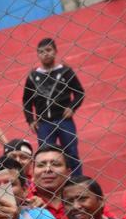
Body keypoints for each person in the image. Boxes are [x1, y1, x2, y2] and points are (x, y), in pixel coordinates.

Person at [22, 38, 86, 175]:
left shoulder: (66, 72)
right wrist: (30, 120)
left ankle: (76, 181)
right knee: (46, 155)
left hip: (64, 120)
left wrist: (72, 107)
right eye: (41, 52)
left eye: (48, 50)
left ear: (55, 52)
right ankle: (51, 183)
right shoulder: (33, 76)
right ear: (37, 55)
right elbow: (27, 101)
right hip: (43, 123)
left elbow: (80, 93)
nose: (45, 54)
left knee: (71, 152)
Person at [32, 145, 71, 219]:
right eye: (41, 165)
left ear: (68, 173)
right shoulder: (23, 198)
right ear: (33, 172)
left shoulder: (83, 196)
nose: (48, 169)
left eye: (56, 164)